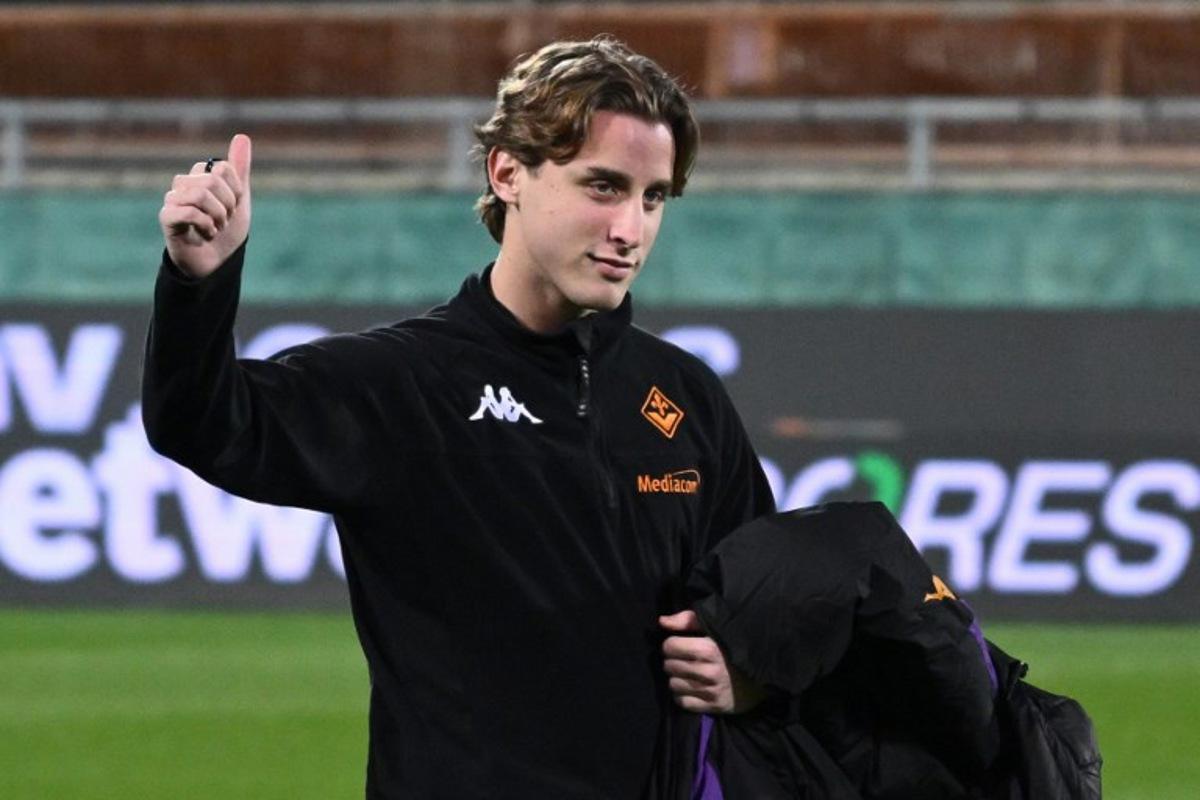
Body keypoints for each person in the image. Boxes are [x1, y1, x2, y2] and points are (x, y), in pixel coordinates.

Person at [143, 36, 774, 799]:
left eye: (653, 198)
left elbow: (760, 602)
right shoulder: (403, 382)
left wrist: (747, 673)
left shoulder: (687, 396)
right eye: (603, 187)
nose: (630, 230)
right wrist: (197, 284)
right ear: (508, 172)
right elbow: (200, 421)